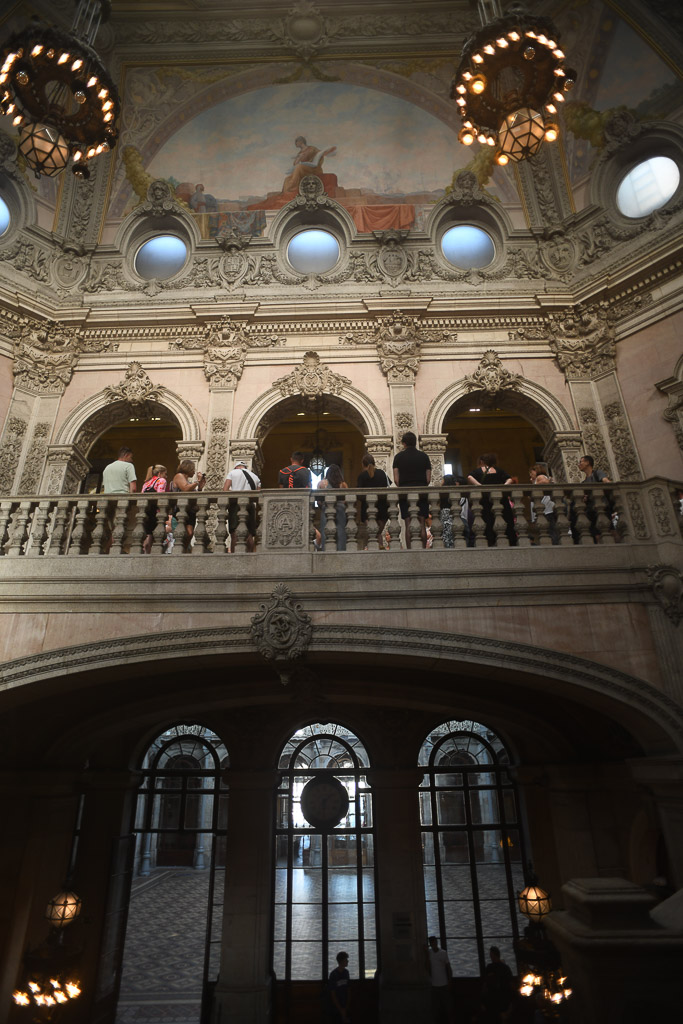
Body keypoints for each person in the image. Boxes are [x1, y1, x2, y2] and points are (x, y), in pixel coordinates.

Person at [392, 431, 431, 549]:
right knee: (422, 522)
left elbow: (396, 480)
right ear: (415, 443)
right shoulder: (424, 456)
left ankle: (409, 549)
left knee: (408, 522)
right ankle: (423, 548)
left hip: (405, 492)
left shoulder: (398, 457)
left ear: (403, 443)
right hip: (422, 492)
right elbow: (428, 479)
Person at [467, 453, 515, 546]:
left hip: (485, 500)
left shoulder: (478, 471)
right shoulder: (498, 470)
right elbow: (510, 479)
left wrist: (480, 487)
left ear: (481, 461)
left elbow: (469, 477)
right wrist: (502, 488)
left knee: (487, 519)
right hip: (500, 499)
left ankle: (490, 540)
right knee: (504, 518)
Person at [223, 460, 261, 552]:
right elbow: (258, 495)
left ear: (236, 467)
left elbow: (225, 490)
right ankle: (250, 554)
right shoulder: (255, 477)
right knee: (250, 534)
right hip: (250, 505)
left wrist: (235, 492)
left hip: (236, 504)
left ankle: (234, 555)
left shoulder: (232, 473)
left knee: (235, 531)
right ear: (245, 467)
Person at [169, 459, 206, 544]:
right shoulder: (179, 476)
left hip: (190, 510)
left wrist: (200, 487)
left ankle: (184, 551)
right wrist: (197, 481)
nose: (194, 472)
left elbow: (194, 495)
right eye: (193, 469)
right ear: (188, 468)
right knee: (182, 534)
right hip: (181, 509)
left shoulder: (188, 481)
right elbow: (185, 488)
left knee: (190, 533)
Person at [357, 453, 390, 548]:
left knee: (373, 534)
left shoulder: (362, 476)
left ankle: (374, 550)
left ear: (363, 464)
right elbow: (387, 488)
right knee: (377, 534)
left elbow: (359, 495)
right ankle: (380, 547)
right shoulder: (382, 473)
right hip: (383, 508)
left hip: (368, 509)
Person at [317, 463, 348, 551]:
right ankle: (341, 551)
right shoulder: (343, 484)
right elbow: (346, 499)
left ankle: (326, 550)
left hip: (326, 508)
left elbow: (319, 501)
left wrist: (322, 506)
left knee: (325, 531)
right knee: (341, 531)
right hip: (341, 509)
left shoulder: (322, 483)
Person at [480, 946, 513, 1023]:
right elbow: (510, 983)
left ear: (493, 955)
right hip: (500, 998)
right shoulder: (505, 968)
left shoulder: (490, 967)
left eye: (491, 955)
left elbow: (485, 985)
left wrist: (482, 1000)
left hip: (494, 998)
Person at [141, 464, 168, 554]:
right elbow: (160, 495)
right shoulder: (161, 480)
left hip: (146, 510)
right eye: (165, 474)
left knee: (147, 532)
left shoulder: (146, 483)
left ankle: (145, 550)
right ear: (160, 473)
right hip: (155, 510)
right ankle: (148, 550)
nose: (166, 476)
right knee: (153, 533)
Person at [529, 464, 559, 545]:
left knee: (551, 531)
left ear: (536, 471)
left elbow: (545, 482)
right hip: (545, 509)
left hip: (547, 509)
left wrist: (534, 487)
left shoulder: (540, 477)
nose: (530, 476)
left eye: (531, 473)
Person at [427, 935, 452, 1023]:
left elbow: (448, 967)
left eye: (434, 942)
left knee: (446, 1006)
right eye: (431, 943)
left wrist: (449, 981)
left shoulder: (443, 953)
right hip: (435, 984)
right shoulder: (429, 952)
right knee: (436, 1007)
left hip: (443, 984)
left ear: (436, 943)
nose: (433, 944)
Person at [328, 950, 350, 1023]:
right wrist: (341, 1009)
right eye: (346, 959)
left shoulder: (346, 973)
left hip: (344, 1004)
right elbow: (333, 994)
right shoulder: (334, 975)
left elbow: (348, 989)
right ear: (341, 961)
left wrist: (346, 1006)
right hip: (336, 1007)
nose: (347, 961)